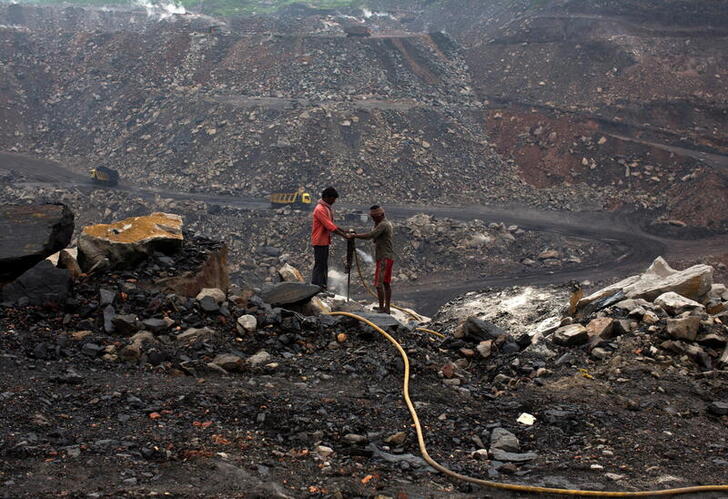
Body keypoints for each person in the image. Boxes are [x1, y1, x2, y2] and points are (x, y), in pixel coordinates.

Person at [353, 205, 394, 314]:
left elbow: (371, 235)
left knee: (379, 284)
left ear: (380, 215)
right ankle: (386, 307)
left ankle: (383, 308)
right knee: (385, 283)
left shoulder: (384, 225)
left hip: (384, 257)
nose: (373, 219)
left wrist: (355, 236)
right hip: (384, 257)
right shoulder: (381, 224)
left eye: (374, 217)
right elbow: (375, 238)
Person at [311, 186, 349, 290]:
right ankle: (316, 286)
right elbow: (329, 226)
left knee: (323, 264)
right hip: (319, 240)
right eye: (333, 199)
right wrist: (344, 235)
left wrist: (343, 230)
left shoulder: (325, 208)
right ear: (327, 197)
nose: (334, 201)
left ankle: (322, 286)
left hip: (324, 241)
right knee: (320, 264)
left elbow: (331, 224)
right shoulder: (320, 209)